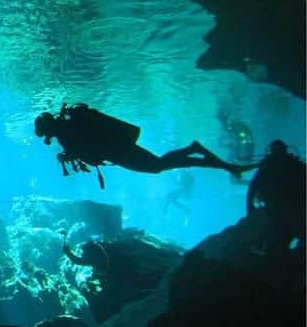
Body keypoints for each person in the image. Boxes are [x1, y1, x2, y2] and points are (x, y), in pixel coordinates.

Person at [34, 103, 257, 189]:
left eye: (45, 134)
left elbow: (85, 149)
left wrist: (67, 156)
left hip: (119, 152)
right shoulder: (67, 128)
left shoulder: (67, 132)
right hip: (118, 151)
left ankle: (208, 157)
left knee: (157, 166)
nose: (48, 138)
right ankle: (222, 164)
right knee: (158, 165)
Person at [246, 140, 306, 257]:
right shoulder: (296, 165)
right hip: (293, 207)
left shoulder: (267, 168)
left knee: (279, 239)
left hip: (278, 207)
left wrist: (250, 208)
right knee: (288, 236)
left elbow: (253, 188)